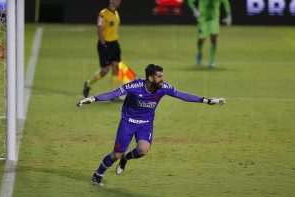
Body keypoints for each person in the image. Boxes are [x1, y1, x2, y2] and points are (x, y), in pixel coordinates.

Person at [76, 64, 226, 186]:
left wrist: (207, 100)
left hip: (145, 124)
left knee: (142, 150)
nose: (162, 79)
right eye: (159, 76)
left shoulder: (164, 88)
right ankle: (98, 175)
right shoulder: (134, 86)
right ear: (150, 77)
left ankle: (126, 159)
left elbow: (183, 95)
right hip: (128, 123)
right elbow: (112, 94)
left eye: (162, 76)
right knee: (116, 154)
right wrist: (92, 99)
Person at [83, 0, 122, 98]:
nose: (119, 1)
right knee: (105, 70)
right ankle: (88, 84)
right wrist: (103, 45)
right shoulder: (103, 14)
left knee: (115, 67)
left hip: (115, 44)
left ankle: (114, 94)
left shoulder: (116, 13)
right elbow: (99, 29)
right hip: (105, 44)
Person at [187, 0, 232, 68]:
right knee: (201, 40)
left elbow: (226, 3)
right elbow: (190, 2)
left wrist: (229, 16)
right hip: (202, 19)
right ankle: (199, 52)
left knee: (214, 38)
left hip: (214, 19)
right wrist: (195, 10)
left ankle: (212, 60)